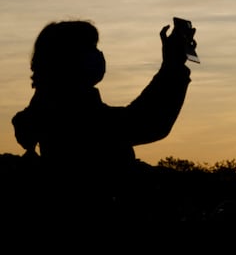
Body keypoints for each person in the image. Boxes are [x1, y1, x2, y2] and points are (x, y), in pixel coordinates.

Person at [10, 19, 195, 221]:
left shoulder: (50, 106)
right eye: (90, 48)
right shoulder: (68, 112)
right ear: (65, 60)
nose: (97, 55)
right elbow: (143, 122)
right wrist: (172, 67)